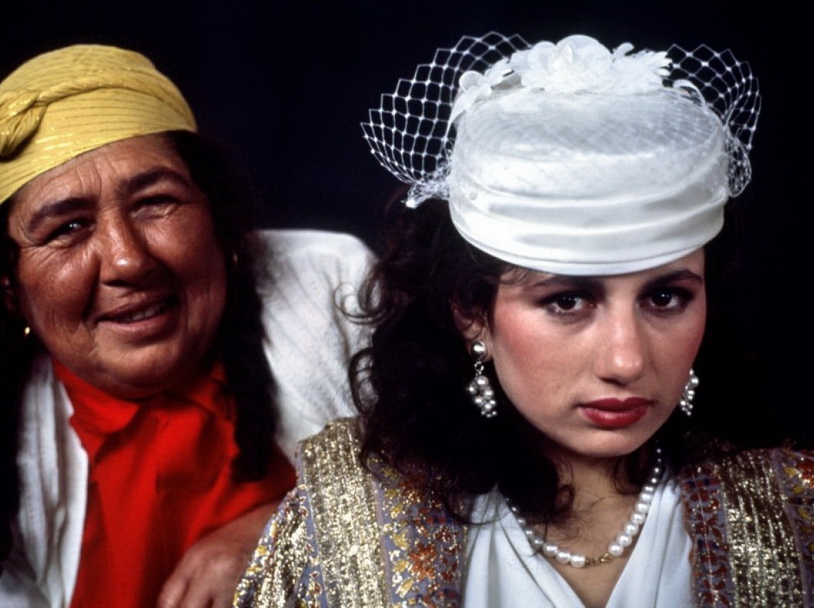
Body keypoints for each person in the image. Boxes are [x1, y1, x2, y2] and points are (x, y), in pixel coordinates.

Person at [234, 33, 813, 607]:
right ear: (471, 311)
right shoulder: (348, 529)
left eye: (665, 298)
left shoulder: (795, 516)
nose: (626, 360)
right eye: (568, 301)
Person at [0, 44, 370, 607]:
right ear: (2, 276)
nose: (128, 260)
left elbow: (458, 484)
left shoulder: (335, 289)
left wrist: (296, 530)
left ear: (214, 210)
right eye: (67, 228)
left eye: (155, 201)